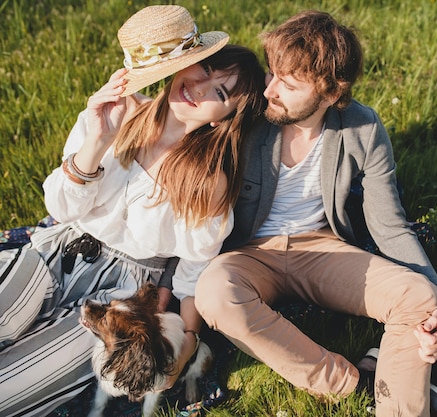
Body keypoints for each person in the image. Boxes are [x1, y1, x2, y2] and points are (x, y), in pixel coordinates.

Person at [0, 5, 266, 416]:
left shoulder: (205, 179)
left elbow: (195, 266)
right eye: (204, 69)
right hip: (57, 248)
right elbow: (60, 206)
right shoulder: (118, 114)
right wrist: (97, 140)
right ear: (181, 65)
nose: (199, 86)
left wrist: (189, 340)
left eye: (220, 92)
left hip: (121, 298)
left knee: (13, 384)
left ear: (224, 118)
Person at [194, 10, 437, 417]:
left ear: (332, 94)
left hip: (322, 248)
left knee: (420, 299)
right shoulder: (249, 114)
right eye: (272, 73)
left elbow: (389, 223)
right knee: (214, 292)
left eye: (290, 84)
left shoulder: (362, 128)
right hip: (250, 252)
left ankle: (398, 409)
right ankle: (350, 384)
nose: (271, 90)